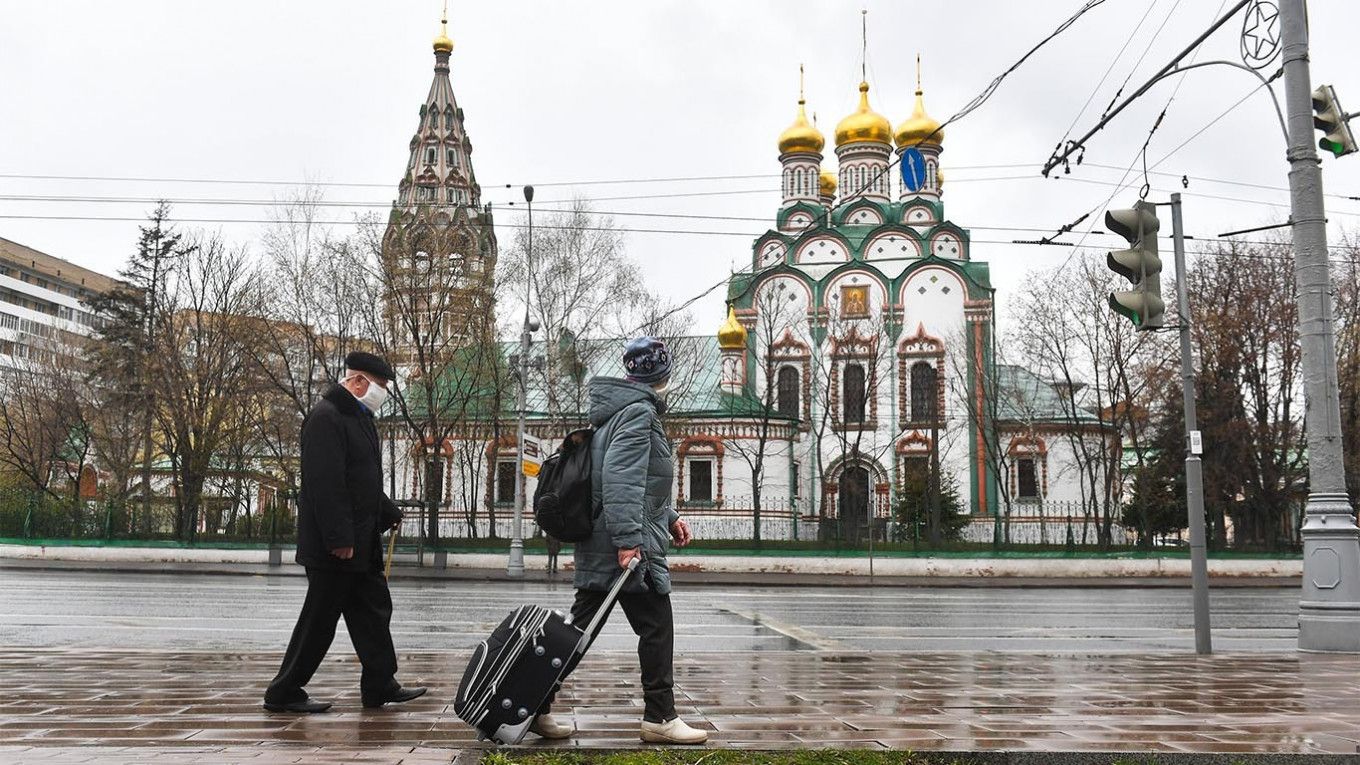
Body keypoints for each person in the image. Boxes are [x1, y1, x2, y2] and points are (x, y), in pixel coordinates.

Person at [532, 337, 708, 745]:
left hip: (605, 541)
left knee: (579, 631)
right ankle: (660, 718)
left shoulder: (615, 414)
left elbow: (639, 482)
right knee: (656, 626)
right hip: (625, 548)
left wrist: (671, 517)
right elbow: (621, 482)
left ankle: (534, 703)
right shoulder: (637, 414)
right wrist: (630, 541)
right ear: (660, 374)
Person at [264, 351, 427, 714]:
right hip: (335, 547)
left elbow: (360, 480)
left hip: (360, 540)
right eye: (379, 386)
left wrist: (387, 511)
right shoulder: (326, 418)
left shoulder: (359, 418)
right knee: (319, 623)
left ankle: (380, 684)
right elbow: (326, 485)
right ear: (356, 382)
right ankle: (283, 692)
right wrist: (339, 539)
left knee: (373, 612)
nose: (382, 393)